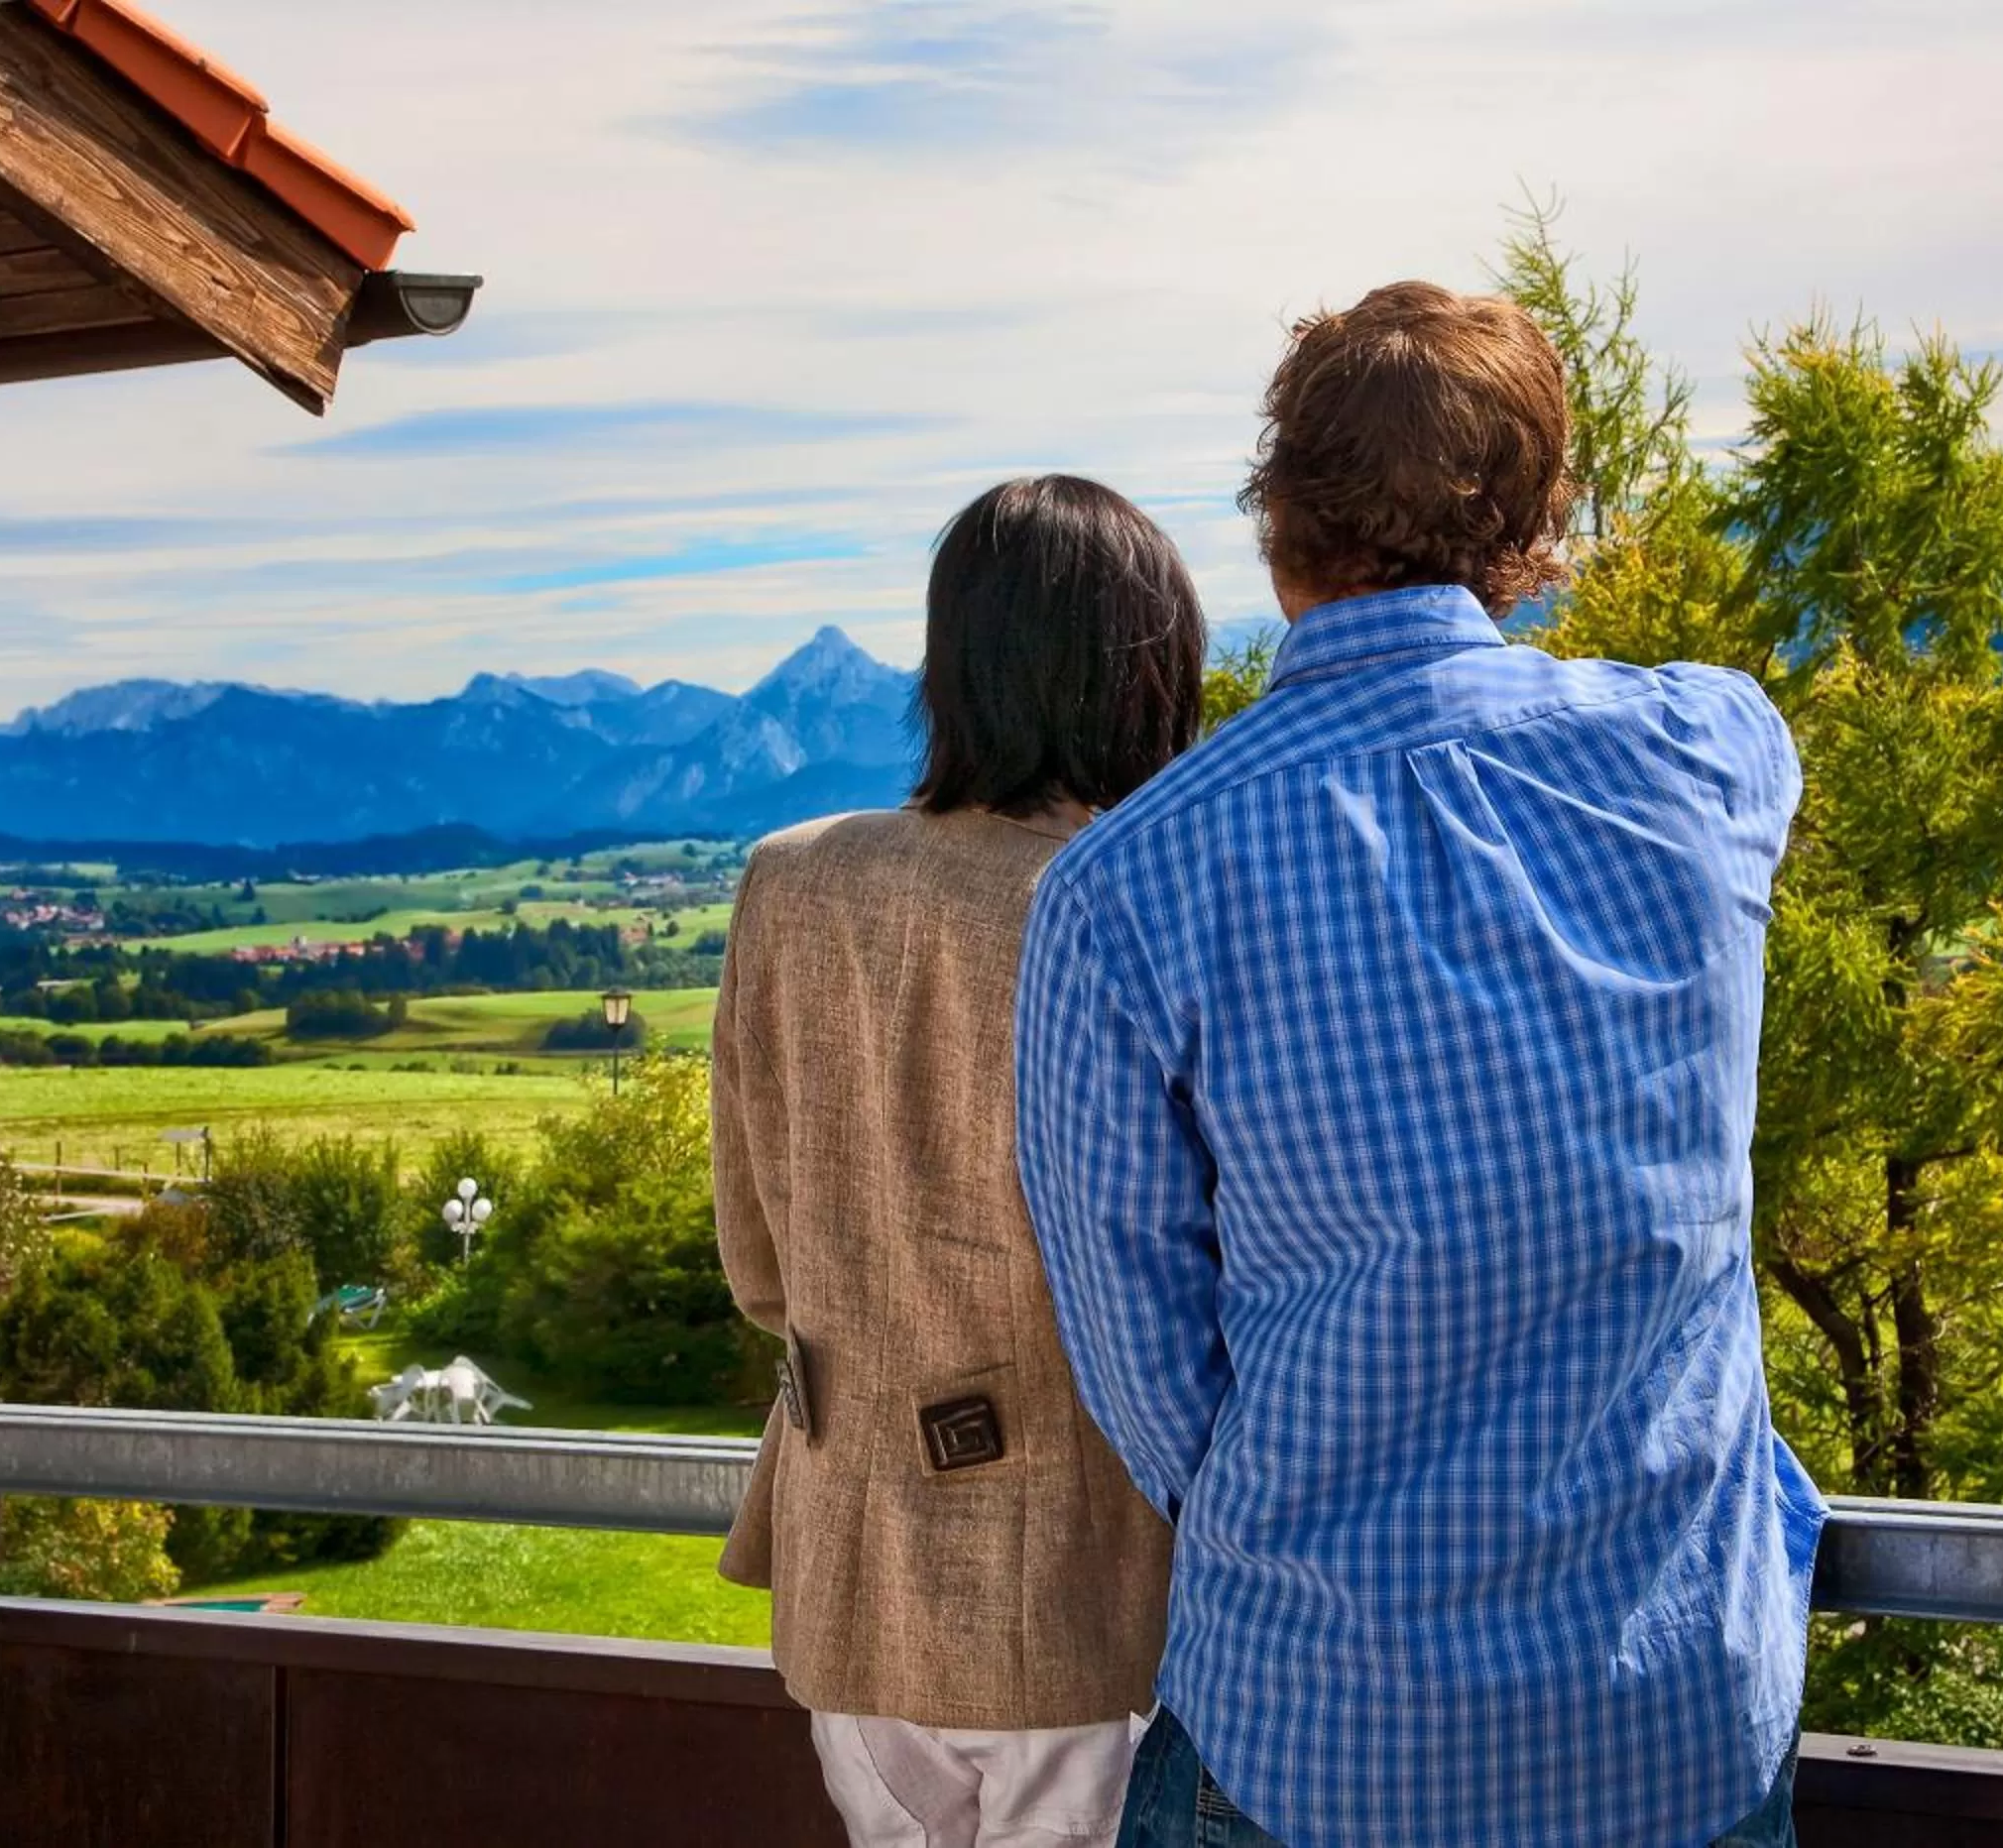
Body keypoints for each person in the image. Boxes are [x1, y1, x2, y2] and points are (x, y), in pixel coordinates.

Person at [1013, 284, 1824, 1848]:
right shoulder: (1711, 755)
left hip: (1326, 1735)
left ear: (1276, 518)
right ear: (1538, 528)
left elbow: (1154, 1389)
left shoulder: (1123, 888)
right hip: (1677, 1729)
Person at [715, 475, 1207, 1848]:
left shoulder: (789, 880)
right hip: (1085, 1591)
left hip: (852, 1582)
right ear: (1148, 671)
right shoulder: (1130, 896)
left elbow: (757, 1264)